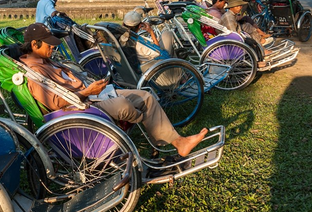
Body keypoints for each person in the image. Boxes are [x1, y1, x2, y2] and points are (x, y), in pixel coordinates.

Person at [18, 23, 208, 157]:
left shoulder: (44, 60)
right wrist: (87, 92)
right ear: (35, 45)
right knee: (126, 105)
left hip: (93, 96)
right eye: (49, 44)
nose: (53, 47)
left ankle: (177, 142)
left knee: (146, 96)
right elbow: (54, 103)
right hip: (83, 105)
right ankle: (146, 124)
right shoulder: (34, 73)